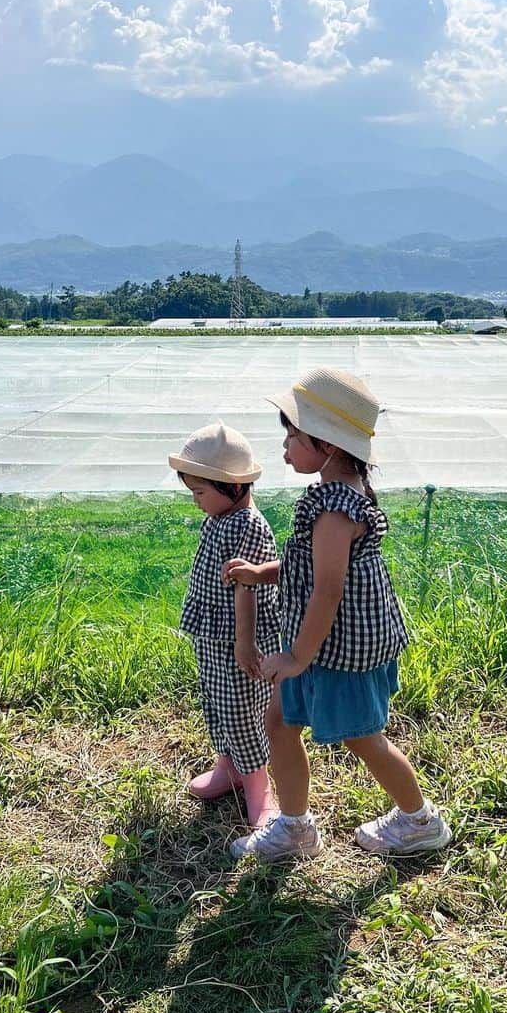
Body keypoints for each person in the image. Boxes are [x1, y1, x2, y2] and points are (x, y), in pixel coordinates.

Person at [223, 367, 451, 860]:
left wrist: (296, 658)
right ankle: (294, 825)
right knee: (279, 723)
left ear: (327, 445)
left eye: (293, 436)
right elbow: (311, 569)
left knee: (363, 739)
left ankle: (420, 821)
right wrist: (264, 572)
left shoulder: (334, 511)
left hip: (337, 649)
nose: (285, 447)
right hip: (322, 642)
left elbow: (327, 591)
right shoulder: (337, 499)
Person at [168, 422, 279, 829]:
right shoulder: (220, 518)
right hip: (214, 635)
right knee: (218, 701)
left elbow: (246, 589)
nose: (196, 501)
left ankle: (257, 786)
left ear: (231, 487)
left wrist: (244, 643)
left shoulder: (246, 524)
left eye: (200, 492)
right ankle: (229, 765)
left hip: (239, 637)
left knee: (243, 710)